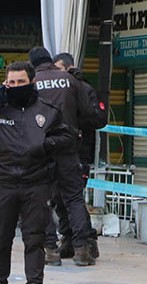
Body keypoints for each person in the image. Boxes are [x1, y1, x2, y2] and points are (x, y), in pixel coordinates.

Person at [0, 61, 74, 284]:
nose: (15, 87)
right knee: (0, 239)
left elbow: (68, 136)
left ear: (31, 82)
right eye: (11, 82)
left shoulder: (47, 109)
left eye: (20, 82)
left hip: (35, 183)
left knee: (34, 239)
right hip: (4, 183)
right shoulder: (0, 108)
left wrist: (46, 145)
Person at [28, 47, 97, 267]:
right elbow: (88, 113)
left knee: (41, 199)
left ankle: (50, 249)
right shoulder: (70, 80)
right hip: (68, 147)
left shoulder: (31, 82)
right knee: (74, 198)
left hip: (40, 148)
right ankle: (81, 250)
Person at [50, 52, 106, 263]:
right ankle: (68, 237)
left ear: (70, 68)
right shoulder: (59, 91)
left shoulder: (83, 88)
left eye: (59, 70)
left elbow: (99, 118)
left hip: (79, 151)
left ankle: (86, 242)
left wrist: (75, 126)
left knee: (73, 198)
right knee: (58, 198)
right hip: (58, 150)